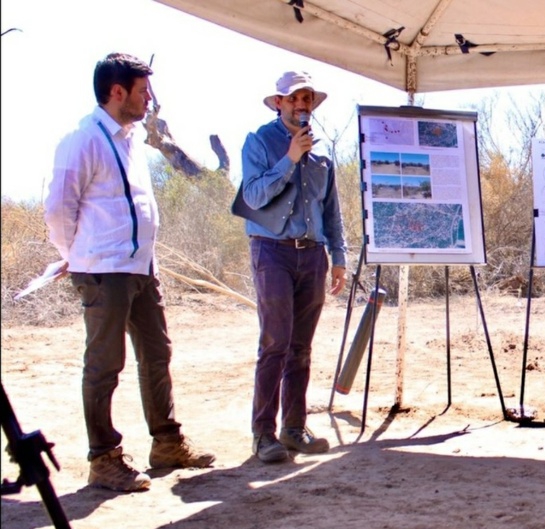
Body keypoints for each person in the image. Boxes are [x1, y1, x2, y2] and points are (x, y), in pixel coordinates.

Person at [43, 53, 214, 492]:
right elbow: (59, 209)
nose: (149, 99)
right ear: (117, 92)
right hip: (103, 270)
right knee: (105, 364)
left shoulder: (131, 139)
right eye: (142, 91)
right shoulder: (83, 140)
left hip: (141, 267)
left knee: (156, 353)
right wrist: (78, 256)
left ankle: (167, 444)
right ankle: (103, 459)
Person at [234, 71, 348, 463]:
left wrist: (340, 259)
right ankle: (262, 434)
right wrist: (289, 160)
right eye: (294, 98)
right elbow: (252, 195)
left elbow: (331, 212)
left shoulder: (322, 156)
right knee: (275, 344)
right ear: (278, 103)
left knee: (301, 346)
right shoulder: (259, 142)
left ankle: (294, 428)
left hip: (312, 254)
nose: (302, 105)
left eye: (307, 98)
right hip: (272, 250)